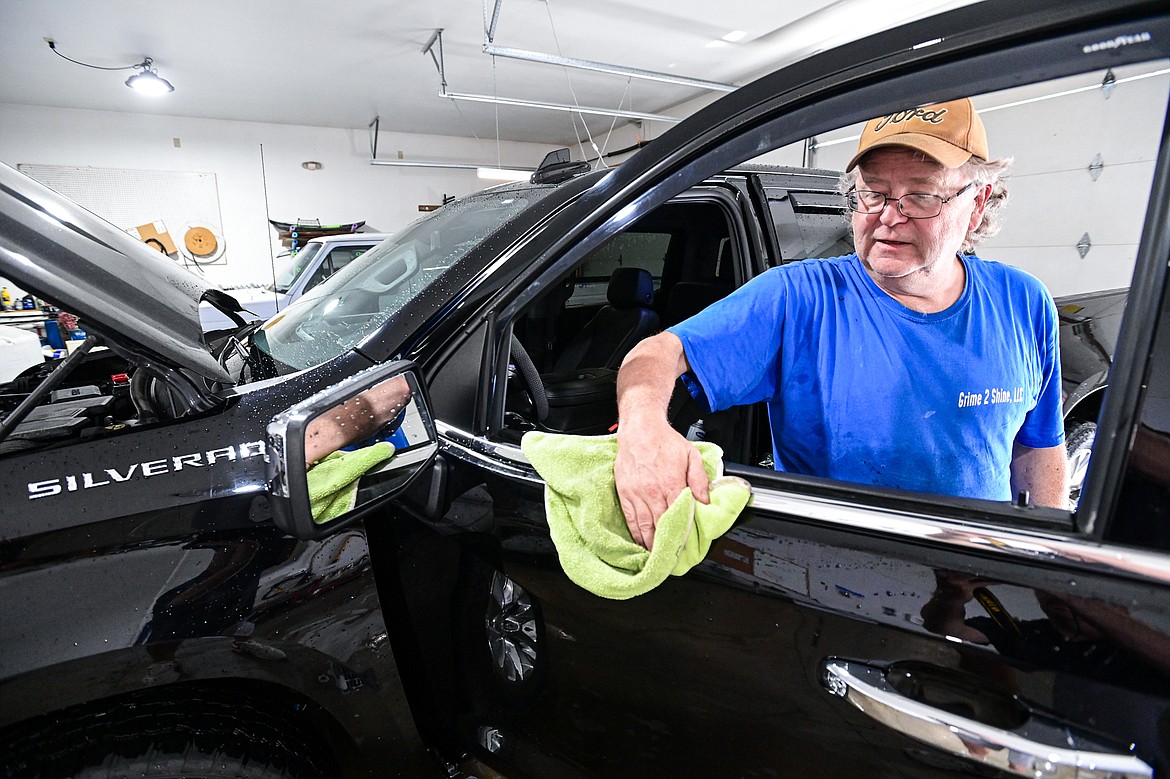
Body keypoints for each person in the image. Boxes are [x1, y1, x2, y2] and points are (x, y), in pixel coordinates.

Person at [614, 98, 1068, 550]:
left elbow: (1038, 449)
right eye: (873, 193)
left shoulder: (1023, 301)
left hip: (979, 576)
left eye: (921, 196)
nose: (889, 217)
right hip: (843, 582)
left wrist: (1051, 561)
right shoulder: (799, 298)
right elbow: (656, 353)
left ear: (977, 202)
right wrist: (643, 429)